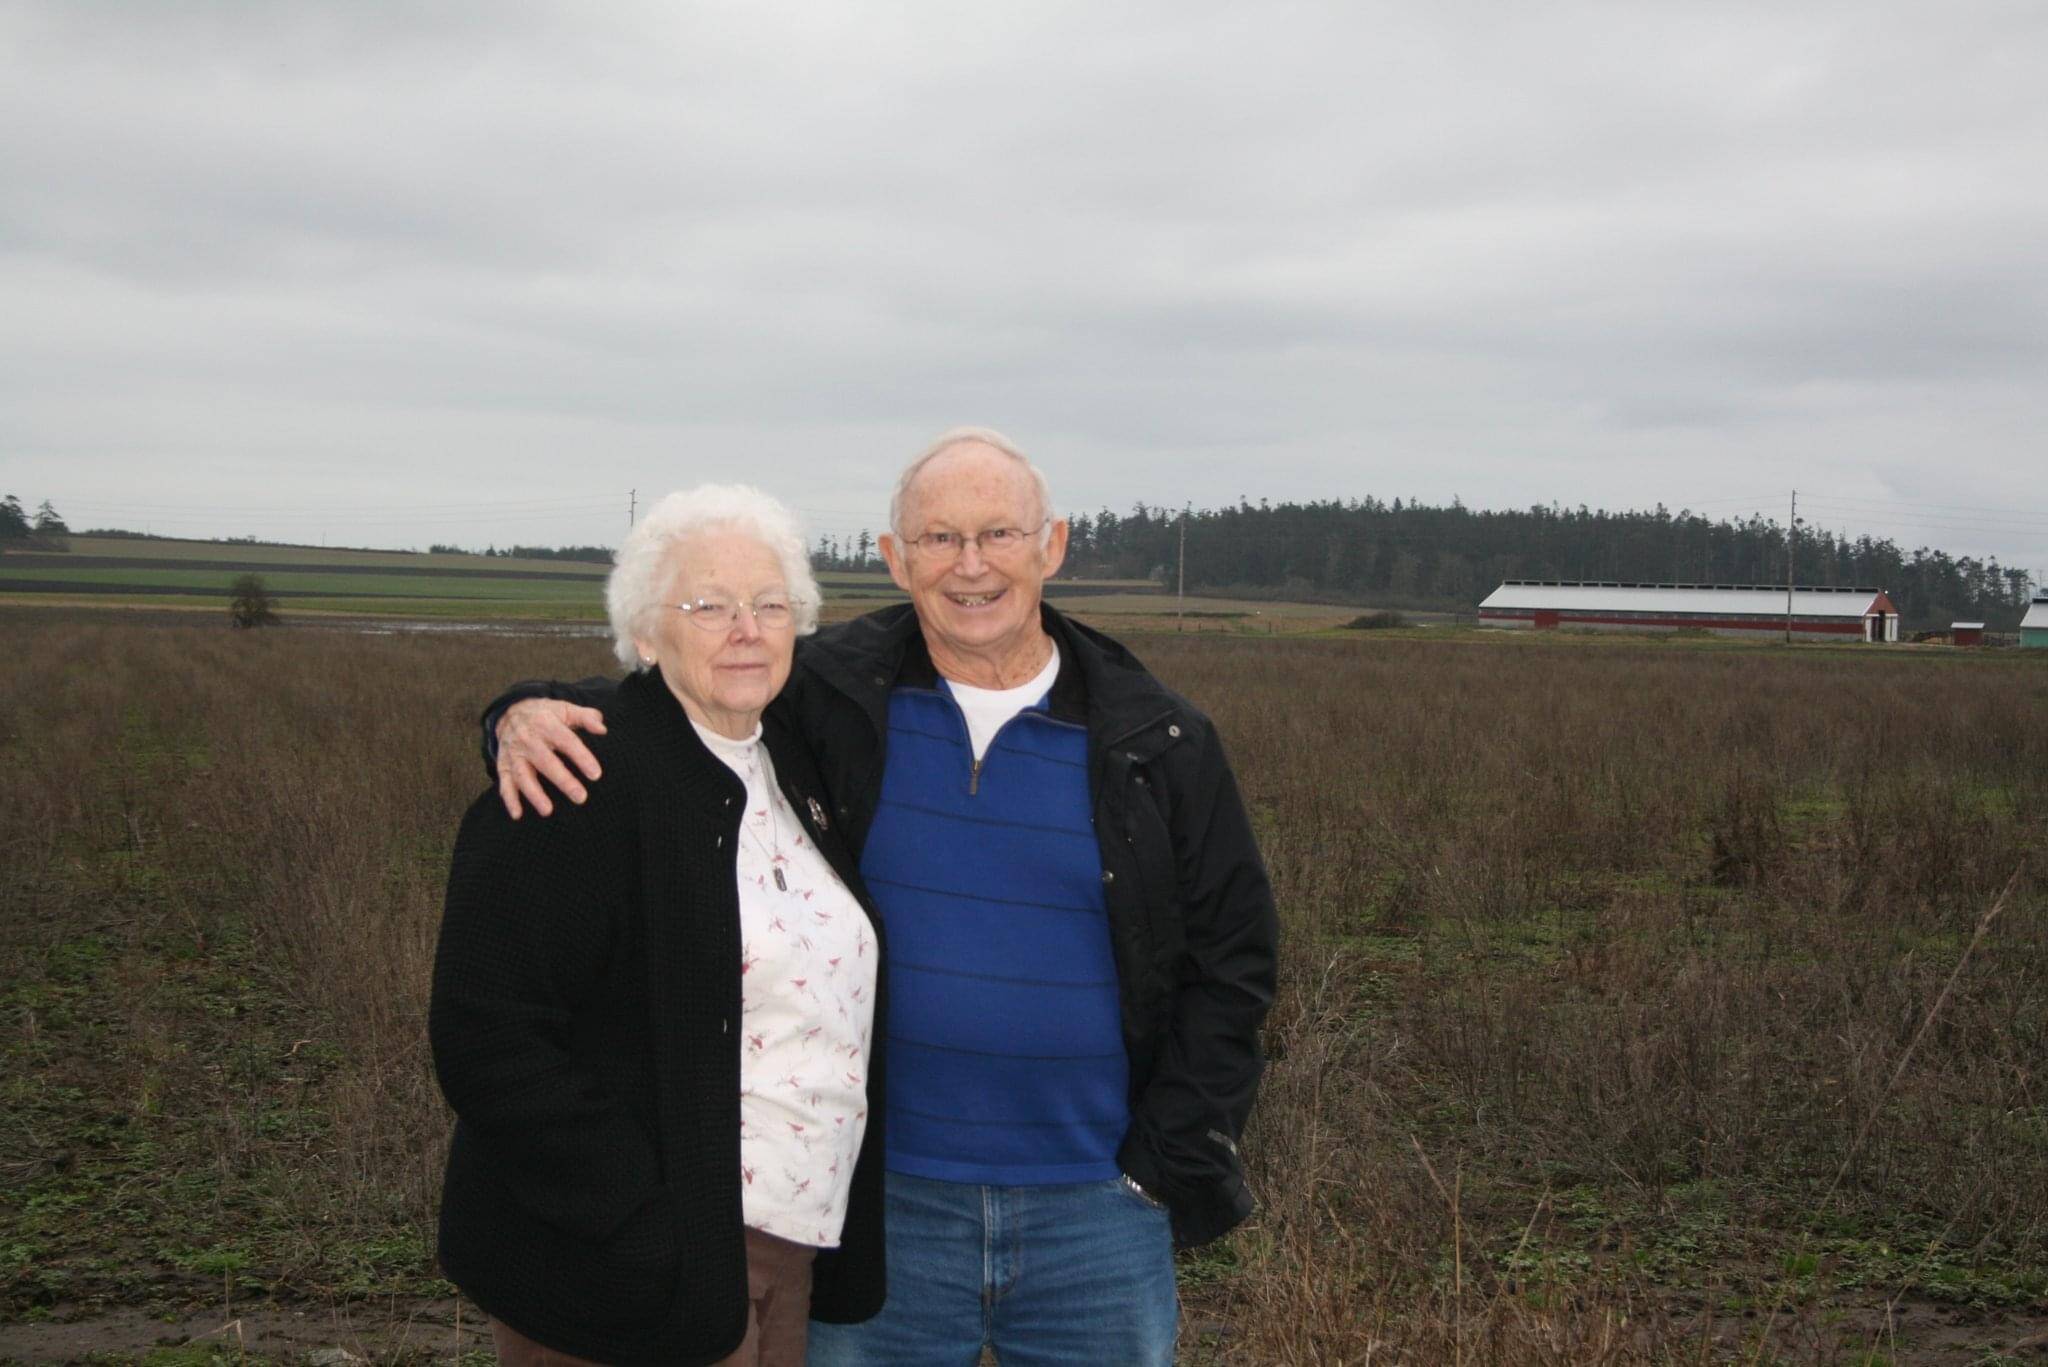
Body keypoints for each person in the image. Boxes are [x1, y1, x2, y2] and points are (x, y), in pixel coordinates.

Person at [489, 429, 1276, 1366]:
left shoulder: (1161, 738)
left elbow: (1236, 961)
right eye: (939, 539)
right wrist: (522, 711)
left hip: (1096, 1214)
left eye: (998, 535)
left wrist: (1166, 1160)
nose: (971, 566)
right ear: (894, 558)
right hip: (878, 1206)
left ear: (1052, 545)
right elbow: (679, 697)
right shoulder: (827, 697)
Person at [431, 485, 887, 1367]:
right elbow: (487, 1037)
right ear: (645, 632)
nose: (744, 628)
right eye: (708, 605)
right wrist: (645, 1223)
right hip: (628, 1277)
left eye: (768, 604)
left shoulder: (789, 757)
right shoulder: (574, 779)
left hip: (783, 1249)